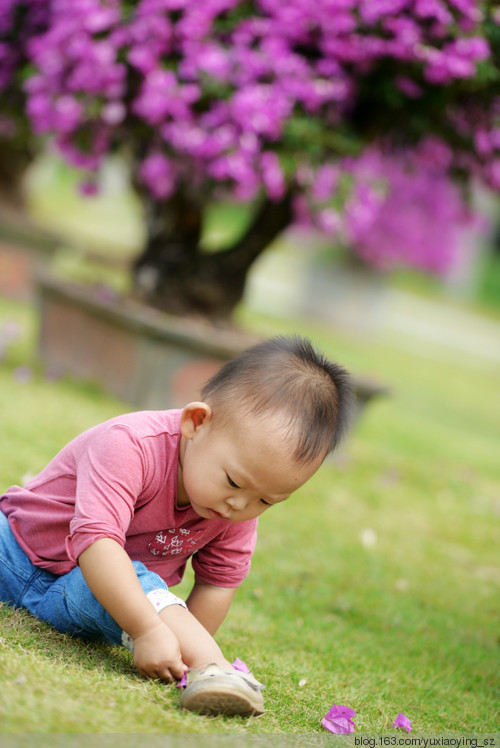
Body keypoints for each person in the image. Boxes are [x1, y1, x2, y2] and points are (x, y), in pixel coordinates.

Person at [0, 335, 354, 716]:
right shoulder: (130, 446)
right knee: (120, 570)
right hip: (14, 551)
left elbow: (218, 582)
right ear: (196, 422)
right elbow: (97, 543)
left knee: (139, 583)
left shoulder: (235, 506)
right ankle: (214, 667)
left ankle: (209, 670)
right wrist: (149, 631)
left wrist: (176, 646)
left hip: (87, 593)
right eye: (234, 482)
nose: (240, 505)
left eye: (267, 501)